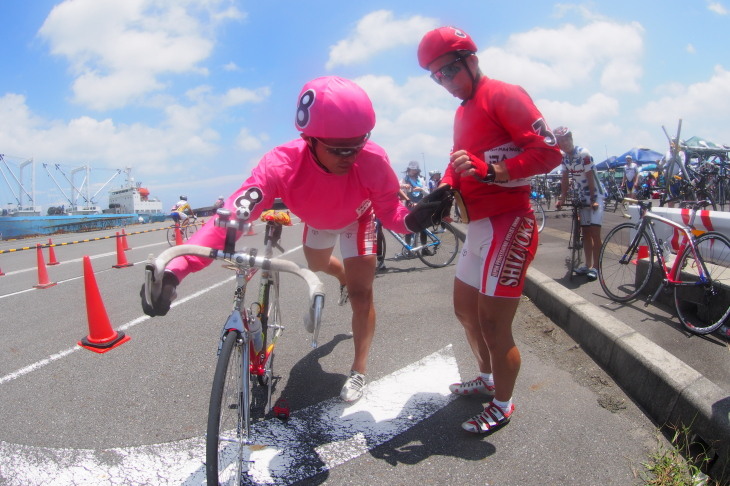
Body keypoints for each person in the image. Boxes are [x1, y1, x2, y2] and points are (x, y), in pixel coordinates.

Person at [141, 76, 446, 403]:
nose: (352, 156)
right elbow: (232, 217)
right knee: (317, 266)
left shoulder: (373, 158)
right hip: (319, 223)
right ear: (309, 139)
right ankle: (341, 275)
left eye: (359, 144)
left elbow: (391, 212)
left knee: (362, 295)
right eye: (340, 149)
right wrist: (178, 270)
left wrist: (413, 220)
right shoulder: (280, 165)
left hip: (359, 220)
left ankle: (358, 369)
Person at [417, 26, 562, 435]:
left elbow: (548, 151)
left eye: (447, 71)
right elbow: (456, 158)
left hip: (511, 222)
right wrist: (444, 187)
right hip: (478, 225)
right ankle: (488, 378)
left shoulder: (504, 94)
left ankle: (503, 403)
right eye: (436, 76)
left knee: (495, 324)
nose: (443, 82)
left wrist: (496, 171)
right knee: (465, 310)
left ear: (471, 60)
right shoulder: (462, 110)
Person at [554, 127, 605, 281]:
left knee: (595, 233)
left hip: (596, 194)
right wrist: (562, 198)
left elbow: (590, 178)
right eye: (561, 141)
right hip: (583, 196)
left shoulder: (584, 154)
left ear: (571, 139)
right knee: (586, 233)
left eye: (567, 139)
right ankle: (587, 265)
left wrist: (594, 200)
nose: (565, 143)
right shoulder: (564, 158)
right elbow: (564, 178)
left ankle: (596, 267)